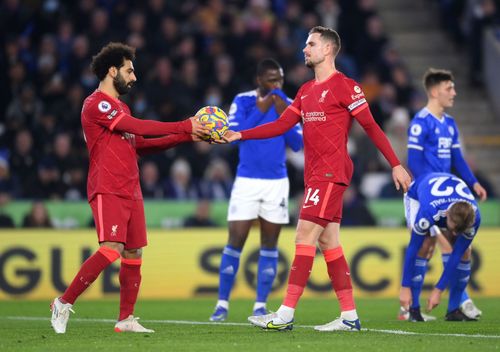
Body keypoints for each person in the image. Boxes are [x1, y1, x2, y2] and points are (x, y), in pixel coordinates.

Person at [219, 26, 411, 331]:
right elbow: (281, 125)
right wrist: (239, 134)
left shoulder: (346, 86)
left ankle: (284, 314)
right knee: (328, 241)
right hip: (315, 175)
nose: (304, 49)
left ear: (328, 50)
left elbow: (372, 127)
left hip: (331, 173)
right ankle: (349, 317)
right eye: (306, 44)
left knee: (303, 235)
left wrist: (395, 164)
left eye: (311, 44)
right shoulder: (306, 91)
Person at [50, 42, 210, 334]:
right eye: (129, 70)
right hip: (107, 186)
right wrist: (184, 125)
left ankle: (125, 319)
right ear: (112, 71)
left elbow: (143, 144)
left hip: (131, 188)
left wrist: (189, 136)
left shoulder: (121, 107)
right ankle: (63, 302)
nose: (134, 77)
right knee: (111, 249)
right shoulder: (96, 103)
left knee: (133, 252)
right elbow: (138, 127)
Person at [209, 58, 303, 322]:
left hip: (277, 183)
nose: (277, 85)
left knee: (269, 245)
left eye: (280, 80)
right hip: (247, 181)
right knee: (235, 241)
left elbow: (297, 143)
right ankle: (222, 305)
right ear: (259, 80)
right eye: (272, 80)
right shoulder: (243, 100)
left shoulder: (287, 102)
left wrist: (285, 113)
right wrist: (263, 108)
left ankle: (260, 305)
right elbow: (234, 133)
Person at [402, 68, 486, 321]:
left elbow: (457, 159)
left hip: (449, 192)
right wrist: (432, 182)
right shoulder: (420, 122)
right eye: (449, 88)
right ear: (435, 91)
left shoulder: (449, 124)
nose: (454, 93)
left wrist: (473, 182)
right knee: (424, 245)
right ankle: (410, 308)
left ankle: (454, 307)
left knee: (464, 250)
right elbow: (414, 162)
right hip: (425, 194)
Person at [400, 172, 481, 321]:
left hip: (444, 189)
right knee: (423, 247)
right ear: (447, 215)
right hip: (417, 196)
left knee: (465, 253)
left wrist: (438, 290)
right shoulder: (429, 213)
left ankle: (453, 310)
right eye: (453, 228)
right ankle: (414, 310)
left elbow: (456, 254)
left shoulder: (474, 217)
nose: (455, 233)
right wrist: (404, 287)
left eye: (459, 230)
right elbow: (412, 248)